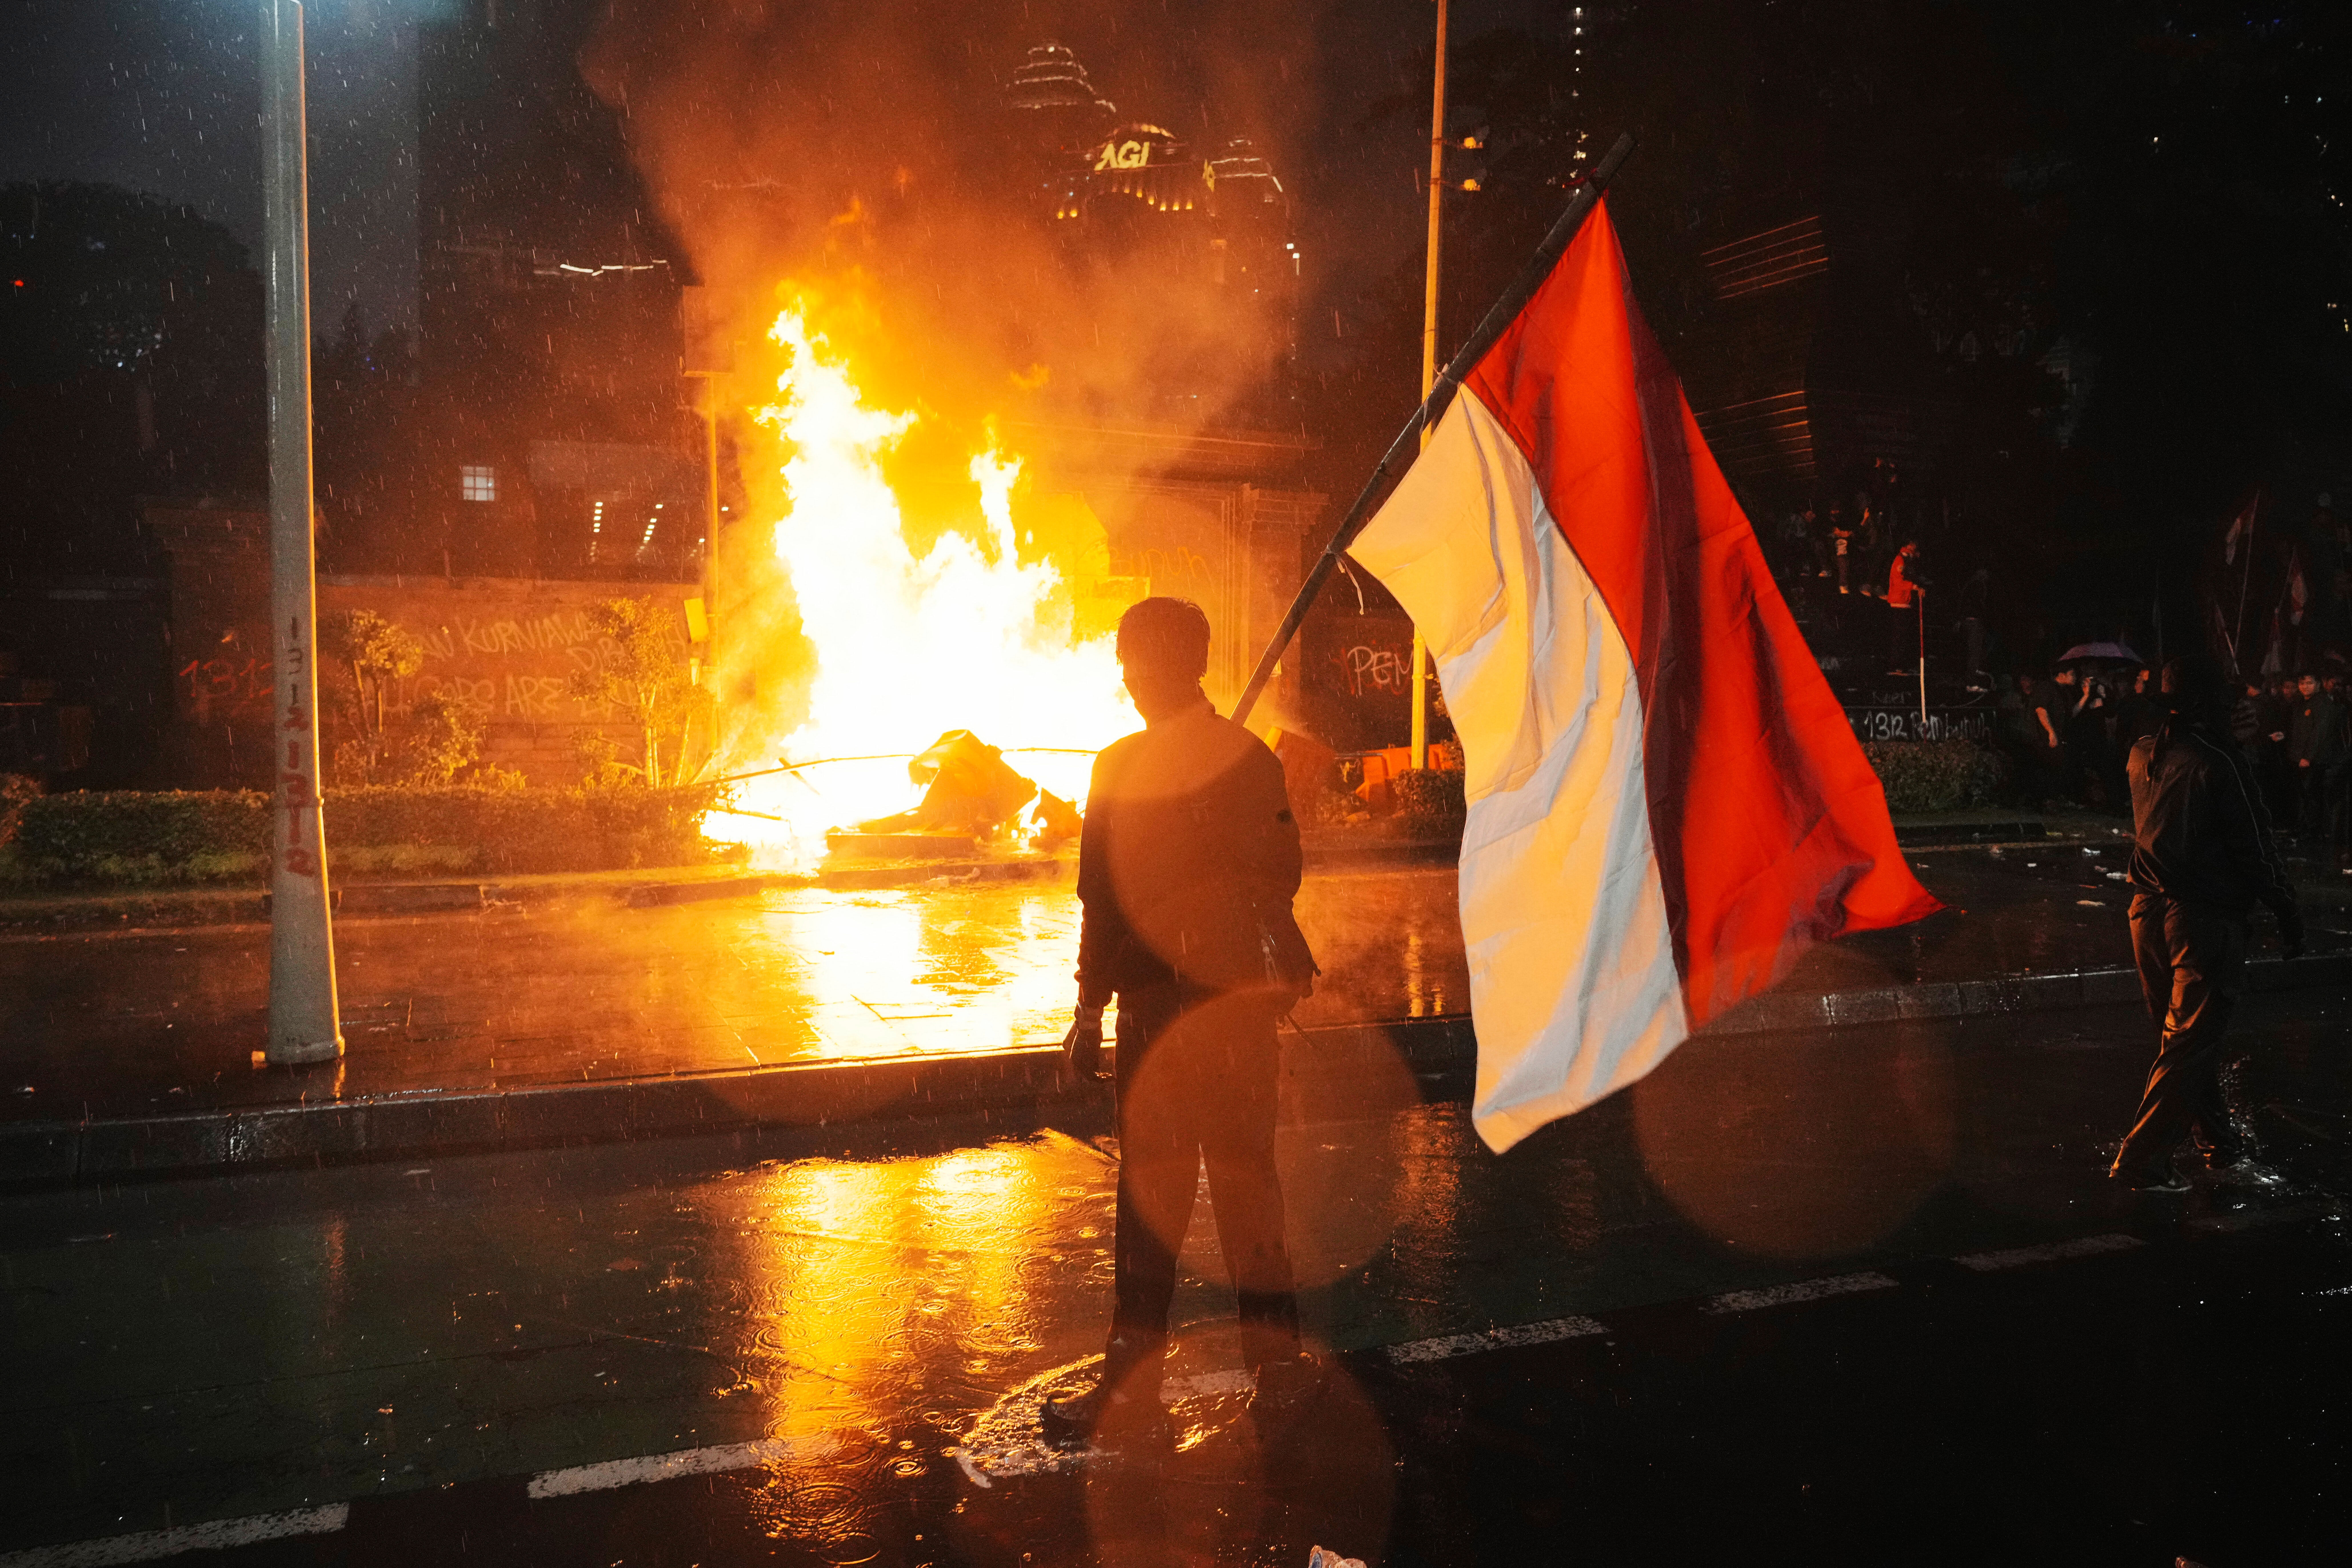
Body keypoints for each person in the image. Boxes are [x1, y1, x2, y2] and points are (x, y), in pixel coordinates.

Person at [1047, 596, 1319, 1444]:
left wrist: (1089, 1010)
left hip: (1163, 1014)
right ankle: (1276, 1373)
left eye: (1132, 661)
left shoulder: (1121, 765)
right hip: (1234, 1008)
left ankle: (1131, 1397)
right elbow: (1282, 870)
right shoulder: (1244, 757)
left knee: (1156, 1199)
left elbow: (1102, 900)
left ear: (1168, 665)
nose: (1124, 677)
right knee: (1246, 1184)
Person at [2110, 653, 2303, 1192]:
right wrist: (2287, 910)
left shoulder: (2143, 752)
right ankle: (2143, 1159)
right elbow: (2255, 849)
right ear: (2208, 705)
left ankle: (2218, 1142)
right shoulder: (2221, 763)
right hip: (2202, 919)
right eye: (2229, 700)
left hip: (2145, 911)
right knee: (2190, 1042)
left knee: (2183, 1043)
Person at [2287, 671, 2346, 838]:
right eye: (2302, 683)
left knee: (2311, 794)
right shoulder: (2302, 703)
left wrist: (2308, 757)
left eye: (2309, 683)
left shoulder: (2322, 704)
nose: (2305, 687)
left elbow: (2320, 733)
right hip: (2300, 756)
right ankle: (2306, 827)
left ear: (2318, 684)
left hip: (2314, 759)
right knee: (2305, 794)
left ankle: (2312, 829)